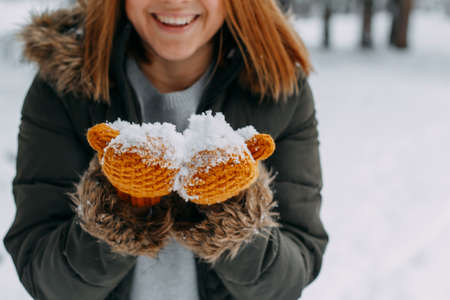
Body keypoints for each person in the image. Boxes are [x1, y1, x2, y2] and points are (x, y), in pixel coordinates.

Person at [3, 0, 328, 299]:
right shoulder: (65, 86)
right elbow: (42, 272)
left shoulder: (281, 90)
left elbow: (294, 271)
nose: (175, 1)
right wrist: (121, 212)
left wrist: (232, 217)